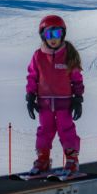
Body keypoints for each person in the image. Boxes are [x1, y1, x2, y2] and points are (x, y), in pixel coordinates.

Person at [26, 15, 84, 176]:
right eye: (49, 34)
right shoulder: (38, 56)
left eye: (57, 34)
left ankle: (72, 160)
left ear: (63, 35)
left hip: (64, 103)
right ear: (43, 35)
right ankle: (43, 159)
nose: (53, 39)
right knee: (44, 130)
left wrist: (78, 99)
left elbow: (77, 79)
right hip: (44, 102)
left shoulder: (68, 55)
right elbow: (32, 76)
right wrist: (30, 96)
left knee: (66, 130)